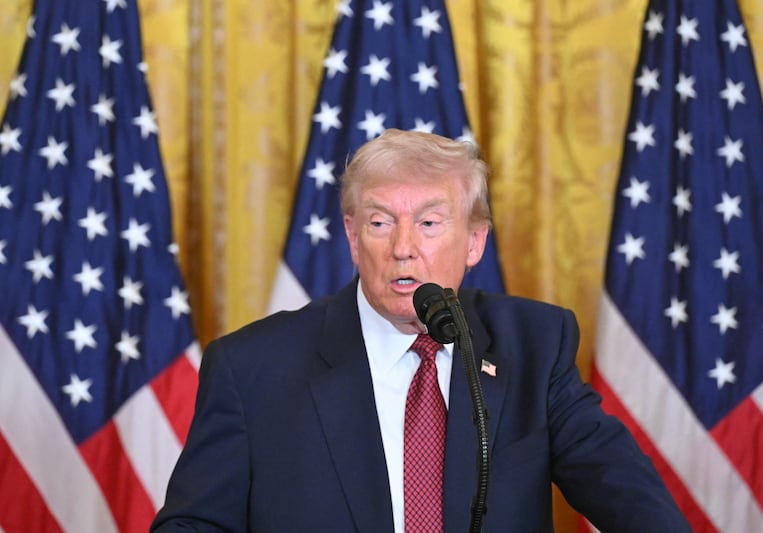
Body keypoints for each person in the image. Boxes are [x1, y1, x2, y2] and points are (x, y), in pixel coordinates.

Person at [152, 129, 689, 532]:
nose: (403, 247)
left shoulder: (533, 344)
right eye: (380, 222)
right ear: (353, 236)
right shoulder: (254, 368)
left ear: (475, 242)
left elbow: (628, 496)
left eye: (430, 223)